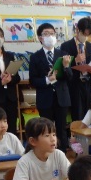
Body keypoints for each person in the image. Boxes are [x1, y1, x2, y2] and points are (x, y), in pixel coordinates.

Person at [29, 22, 72, 151]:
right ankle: (47, 153)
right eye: (46, 34)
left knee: (62, 128)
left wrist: (66, 67)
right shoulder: (35, 57)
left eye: (52, 34)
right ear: (40, 38)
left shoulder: (63, 54)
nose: (50, 37)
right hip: (45, 99)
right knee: (46, 131)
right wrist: (47, 80)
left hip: (61, 98)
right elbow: (33, 81)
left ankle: (62, 154)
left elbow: (70, 77)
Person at [60, 17, 91, 121]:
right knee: (78, 115)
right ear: (77, 30)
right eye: (84, 34)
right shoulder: (66, 46)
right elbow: (63, 68)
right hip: (75, 85)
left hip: (89, 84)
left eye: (88, 35)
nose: (85, 37)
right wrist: (75, 60)